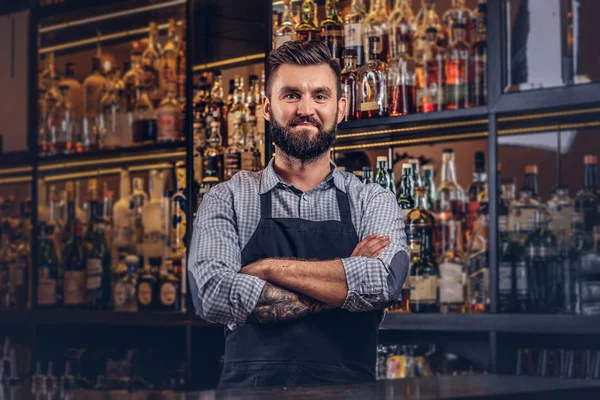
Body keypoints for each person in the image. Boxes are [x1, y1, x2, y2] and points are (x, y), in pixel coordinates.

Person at [188, 40, 409, 389]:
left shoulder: (373, 200)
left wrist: (267, 268)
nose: (306, 108)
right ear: (266, 107)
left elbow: (383, 283)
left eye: (320, 95)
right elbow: (213, 296)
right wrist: (343, 284)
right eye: (291, 94)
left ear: (340, 108)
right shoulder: (227, 198)